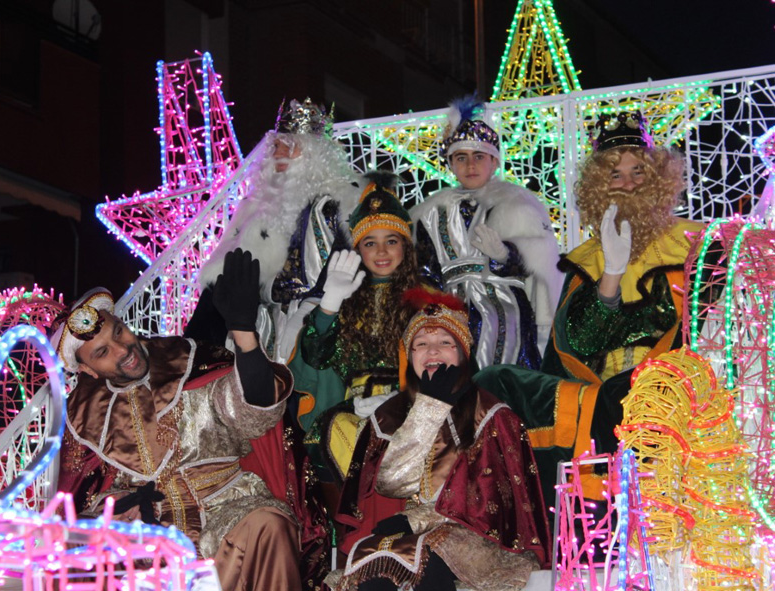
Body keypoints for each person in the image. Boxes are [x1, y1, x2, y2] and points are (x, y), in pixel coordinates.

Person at [475, 111, 706, 508]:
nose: (628, 184)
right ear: (600, 188)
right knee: (494, 379)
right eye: (615, 175)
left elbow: (698, 324)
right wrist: (611, 274)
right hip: (596, 397)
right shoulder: (587, 261)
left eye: (638, 172)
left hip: (665, 388)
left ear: (658, 180)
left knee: (637, 389)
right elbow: (576, 342)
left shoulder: (694, 245)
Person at [53, 250, 305, 591]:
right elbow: (80, 494)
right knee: (74, 551)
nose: (121, 349)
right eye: (101, 352)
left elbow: (253, 416)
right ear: (86, 370)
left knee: (268, 525)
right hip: (144, 534)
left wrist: (245, 336)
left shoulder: (191, 360)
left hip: (225, 510)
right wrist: (108, 512)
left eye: (117, 333)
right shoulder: (81, 413)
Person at [328, 288, 551, 591]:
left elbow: (491, 506)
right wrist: (428, 409)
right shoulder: (387, 416)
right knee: (376, 571)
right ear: (410, 356)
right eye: (421, 344)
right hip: (400, 538)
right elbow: (391, 483)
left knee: (424, 561)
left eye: (445, 343)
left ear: (462, 354)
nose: (432, 351)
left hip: (476, 543)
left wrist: (418, 521)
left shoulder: (491, 414)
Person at [188, 98, 360, 363]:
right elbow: (222, 283)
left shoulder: (338, 204)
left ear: (314, 154)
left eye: (289, 145)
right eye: (276, 145)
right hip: (263, 326)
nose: (278, 152)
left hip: (321, 324)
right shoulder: (257, 209)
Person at [411, 95, 563, 370]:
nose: (470, 166)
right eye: (461, 157)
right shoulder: (431, 213)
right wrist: (435, 305)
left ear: (493, 162)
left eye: (479, 157)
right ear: (450, 164)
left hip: (504, 304)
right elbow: (425, 266)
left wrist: (504, 255)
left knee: (504, 364)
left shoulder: (518, 204)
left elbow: (537, 262)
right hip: (451, 305)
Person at [289, 172, 423, 485]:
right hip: (355, 410)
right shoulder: (344, 300)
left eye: (391, 241)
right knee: (338, 435)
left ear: (405, 246)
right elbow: (314, 361)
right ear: (358, 250)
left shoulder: (426, 299)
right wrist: (330, 304)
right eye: (370, 243)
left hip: (414, 405)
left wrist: (404, 400)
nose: (381, 252)